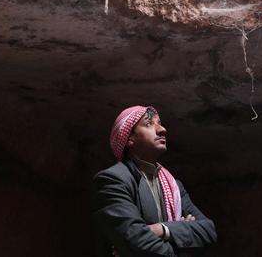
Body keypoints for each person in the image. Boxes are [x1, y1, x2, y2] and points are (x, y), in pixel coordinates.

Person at [92, 105, 217, 257]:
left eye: (159, 122)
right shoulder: (113, 180)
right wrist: (182, 230)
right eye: (149, 124)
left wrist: (160, 229)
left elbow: (209, 231)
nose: (162, 129)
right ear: (129, 138)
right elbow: (135, 242)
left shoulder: (174, 186)